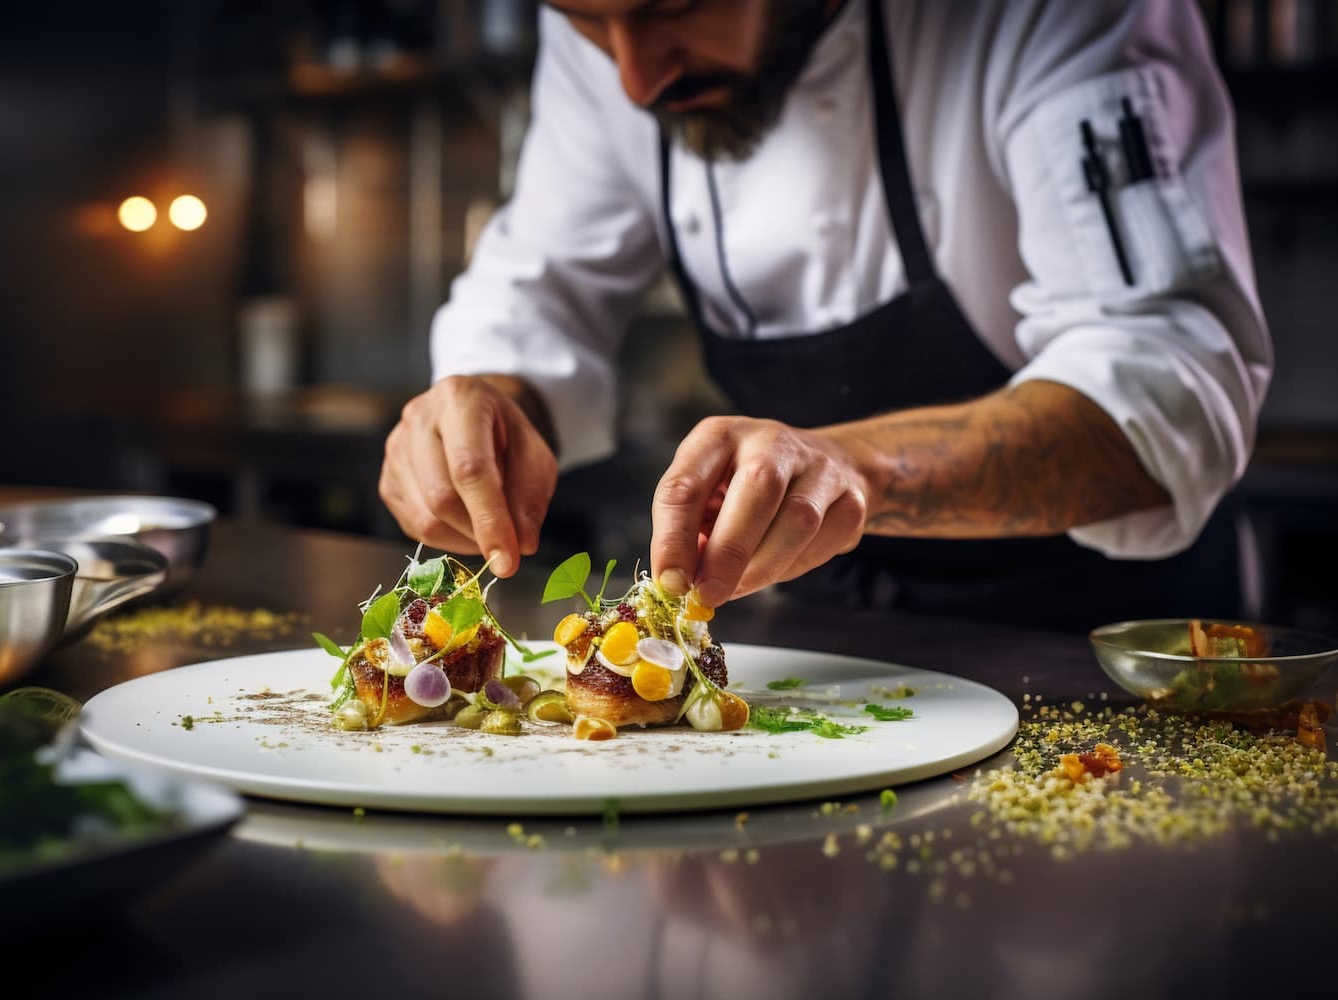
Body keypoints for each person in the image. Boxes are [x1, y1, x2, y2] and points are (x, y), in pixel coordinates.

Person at [378, 0, 1271, 631]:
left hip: (1097, 647)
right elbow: (540, 290)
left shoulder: (1047, 12)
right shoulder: (619, 42)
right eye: (586, 24)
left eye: (677, 5)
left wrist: (854, 467)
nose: (638, 78)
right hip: (833, 648)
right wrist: (487, 402)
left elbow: (1168, 383)